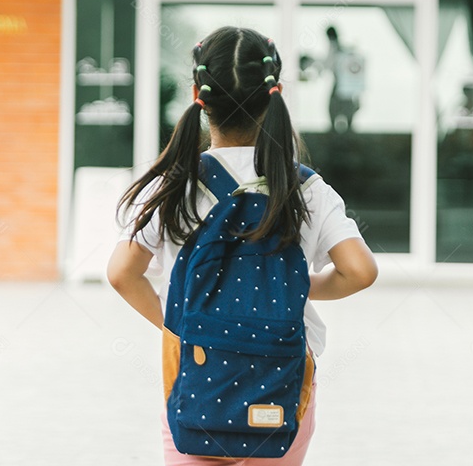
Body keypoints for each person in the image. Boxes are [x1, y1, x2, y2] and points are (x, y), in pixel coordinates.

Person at [108, 26, 378, 465]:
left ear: (198, 94)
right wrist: (301, 285)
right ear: (275, 94)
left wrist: (178, 325)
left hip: (198, 373)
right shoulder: (304, 189)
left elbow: (122, 273)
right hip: (283, 381)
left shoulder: (174, 185)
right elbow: (360, 271)